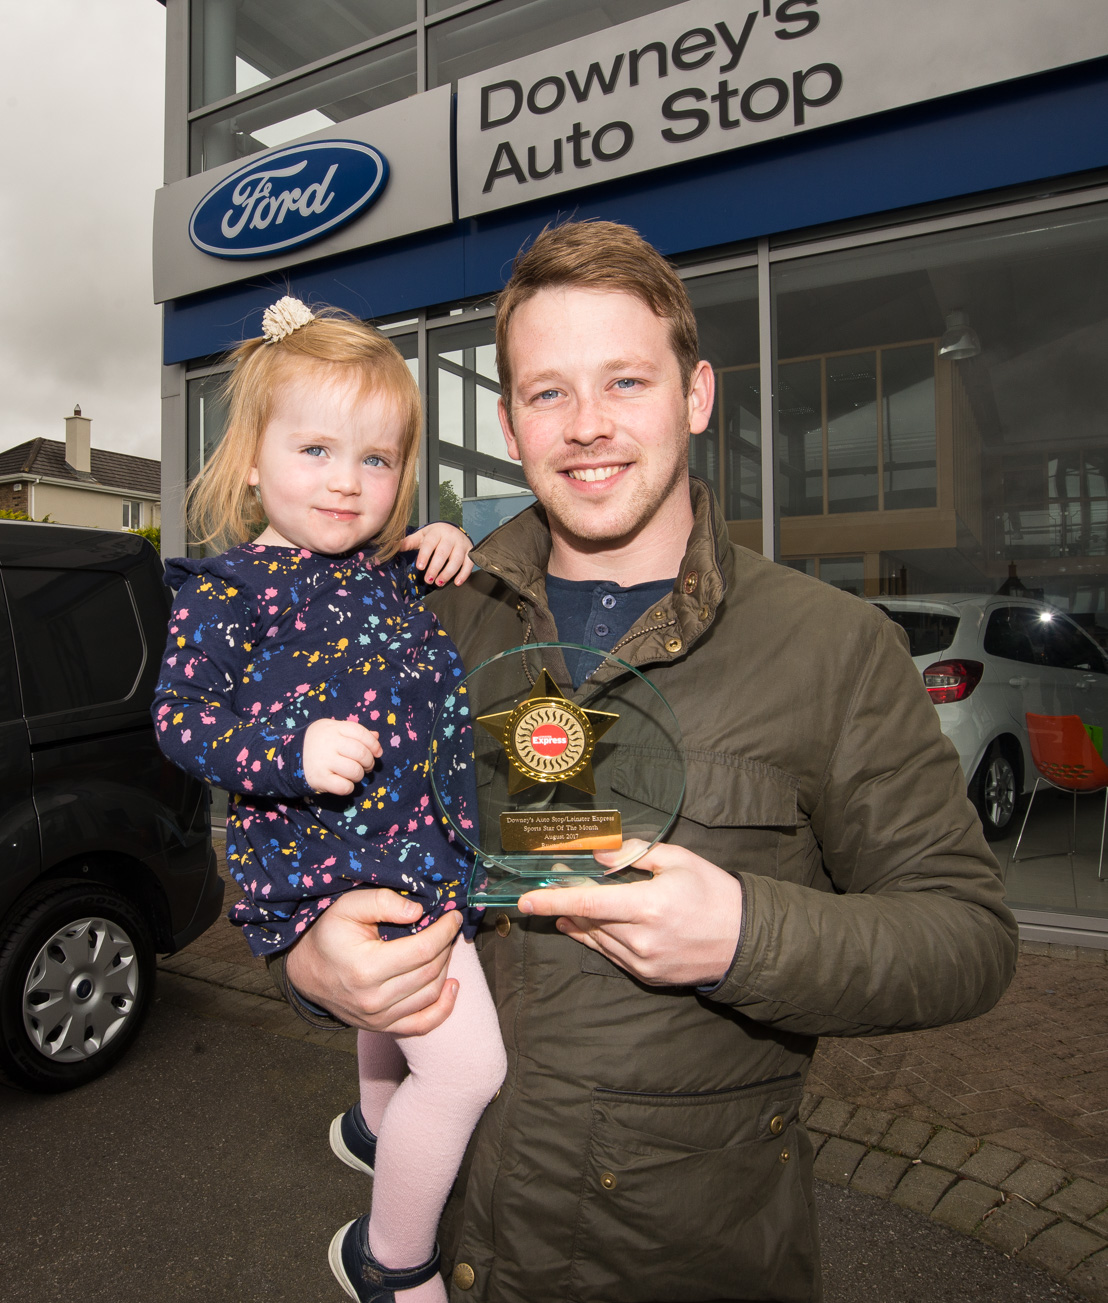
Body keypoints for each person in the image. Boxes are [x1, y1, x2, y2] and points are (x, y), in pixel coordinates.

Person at [271, 226, 1019, 1303]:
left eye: (625, 380)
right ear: (508, 421)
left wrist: (745, 935)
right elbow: (293, 824)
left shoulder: (833, 648)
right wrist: (307, 966)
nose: (587, 428)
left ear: (696, 393)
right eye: (548, 393)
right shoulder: (426, 619)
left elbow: (965, 937)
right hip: (457, 1238)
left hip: (677, 1259)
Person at [152, 297, 506, 1303]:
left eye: (377, 459)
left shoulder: (383, 574)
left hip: (415, 854)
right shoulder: (228, 592)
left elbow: (416, 629)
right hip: (327, 872)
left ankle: (367, 1124)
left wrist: (442, 541)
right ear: (253, 459)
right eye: (315, 449)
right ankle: (389, 1261)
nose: (349, 483)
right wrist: (288, 749)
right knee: (470, 1068)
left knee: (398, 1031)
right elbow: (181, 723)